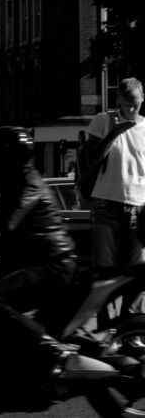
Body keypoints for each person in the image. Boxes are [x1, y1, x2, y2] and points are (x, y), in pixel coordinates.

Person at [0, 127, 77, 378]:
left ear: (8, 159)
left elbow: (8, 223)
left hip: (51, 264)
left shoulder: (29, 186)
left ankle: (49, 348)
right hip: (37, 261)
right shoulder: (15, 185)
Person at [85, 77, 145, 326]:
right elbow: (91, 160)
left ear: (142, 100)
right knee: (106, 272)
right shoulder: (103, 120)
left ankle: (130, 329)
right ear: (118, 99)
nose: (130, 110)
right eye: (126, 104)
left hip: (139, 207)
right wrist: (113, 134)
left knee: (139, 273)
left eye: (135, 104)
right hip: (106, 204)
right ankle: (107, 331)